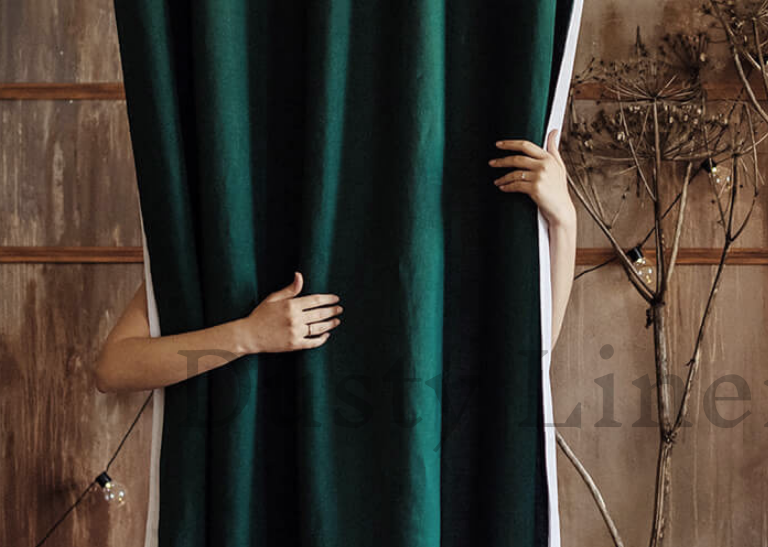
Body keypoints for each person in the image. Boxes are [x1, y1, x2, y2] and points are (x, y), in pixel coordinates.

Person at [93, 131, 577, 393]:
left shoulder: (434, 255)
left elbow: (531, 357)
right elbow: (113, 368)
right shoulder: (238, 230)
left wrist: (564, 221)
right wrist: (248, 335)